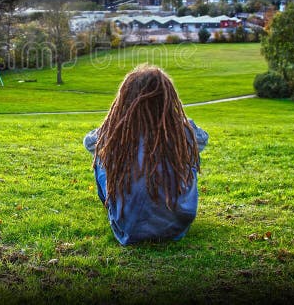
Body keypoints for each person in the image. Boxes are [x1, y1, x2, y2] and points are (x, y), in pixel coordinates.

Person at [83, 64, 209, 245]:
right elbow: (203, 140)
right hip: (178, 226)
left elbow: (89, 143)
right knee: (186, 152)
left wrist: (115, 128)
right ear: (167, 98)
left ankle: (117, 204)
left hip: (130, 228)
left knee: (104, 156)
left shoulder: (115, 133)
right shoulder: (183, 130)